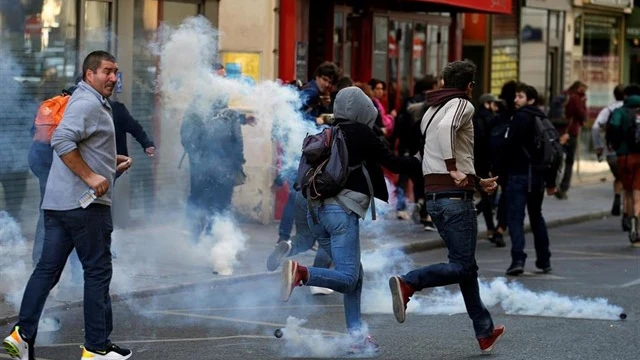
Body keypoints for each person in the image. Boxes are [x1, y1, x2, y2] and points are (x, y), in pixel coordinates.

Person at [2, 51, 133, 360]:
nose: (113, 77)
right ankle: (96, 348)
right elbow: (62, 141)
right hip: (85, 207)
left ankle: (22, 336)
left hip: (59, 205)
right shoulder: (87, 103)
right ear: (89, 75)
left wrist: (109, 163)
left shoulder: (87, 102)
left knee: (47, 270)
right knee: (97, 272)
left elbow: (79, 145)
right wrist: (90, 176)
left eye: (116, 72)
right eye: (106, 71)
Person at [280, 86, 422, 353]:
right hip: (340, 212)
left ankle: (356, 338)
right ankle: (302, 273)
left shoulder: (329, 132)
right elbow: (392, 163)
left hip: (316, 212)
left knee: (355, 277)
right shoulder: (360, 132)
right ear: (361, 107)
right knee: (347, 277)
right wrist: (419, 160)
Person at [387, 61, 505, 353]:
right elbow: (446, 132)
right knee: (463, 265)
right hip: (454, 200)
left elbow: (430, 152)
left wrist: (477, 182)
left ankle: (484, 329)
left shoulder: (430, 110)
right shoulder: (462, 105)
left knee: (465, 266)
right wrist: (454, 169)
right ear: (468, 86)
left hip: (437, 198)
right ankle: (409, 282)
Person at [503, 84, 557, 275]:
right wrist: (551, 182)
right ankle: (544, 260)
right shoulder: (543, 118)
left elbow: (508, 147)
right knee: (536, 217)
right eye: (516, 96)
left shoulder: (520, 118)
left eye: (520, 96)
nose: (515, 99)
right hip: (538, 178)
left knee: (516, 218)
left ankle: (518, 259)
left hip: (518, 175)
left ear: (531, 100)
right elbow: (554, 152)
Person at [607, 84, 640, 246]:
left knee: (627, 189)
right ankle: (637, 218)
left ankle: (627, 218)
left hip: (624, 156)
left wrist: (617, 146)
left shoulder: (619, 111)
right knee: (638, 191)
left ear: (625, 96)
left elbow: (612, 129)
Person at [592, 85, 625, 217]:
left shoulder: (608, 109)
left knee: (619, 177)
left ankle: (617, 196)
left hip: (611, 151)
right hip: (631, 151)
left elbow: (595, 128)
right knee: (632, 183)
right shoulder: (634, 109)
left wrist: (598, 146)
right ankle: (630, 215)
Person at [473, 93, 500, 243]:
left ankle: (491, 229)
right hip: (488, 162)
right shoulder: (491, 118)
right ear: (487, 104)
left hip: (475, 161)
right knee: (490, 195)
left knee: (486, 195)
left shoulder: (475, 117)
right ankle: (473, 214)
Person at [556, 81, 588, 200]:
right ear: (579, 88)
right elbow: (582, 114)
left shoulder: (564, 95)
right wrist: (584, 102)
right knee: (569, 161)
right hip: (570, 132)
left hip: (558, 130)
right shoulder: (576, 98)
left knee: (557, 159)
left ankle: (554, 183)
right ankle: (564, 187)